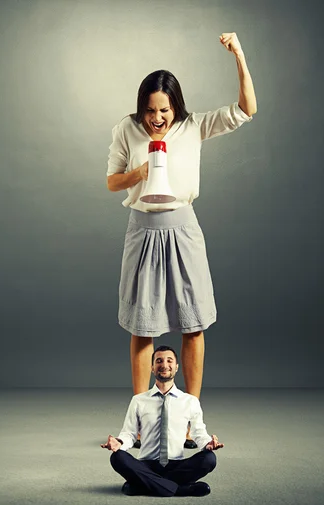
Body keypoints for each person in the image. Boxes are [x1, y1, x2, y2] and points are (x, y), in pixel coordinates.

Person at [106, 32, 257, 447]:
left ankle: (189, 422)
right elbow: (111, 181)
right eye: (151, 110)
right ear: (142, 108)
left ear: (176, 107)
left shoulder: (194, 126)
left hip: (184, 228)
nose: (157, 118)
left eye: (165, 110)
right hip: (142, 229)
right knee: (142, 326)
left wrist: (239, 55)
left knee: (193, 323)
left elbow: (248, 109)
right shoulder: (126, 129)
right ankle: (140, 424)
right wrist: (139, 171)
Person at [101, 345, 224, 497]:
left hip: (176, 464)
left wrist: (208, 443)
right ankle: (180, 489)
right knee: (117, 457)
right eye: (159, 361)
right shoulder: (138, 400)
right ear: (152, 368)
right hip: (147, 464)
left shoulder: (190, 401)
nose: (164, 365)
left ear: (176, 367)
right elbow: (130, 433)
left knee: (209, 459)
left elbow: (198, 432)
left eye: (169, 361)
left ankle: (142, 486)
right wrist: (119, 443)